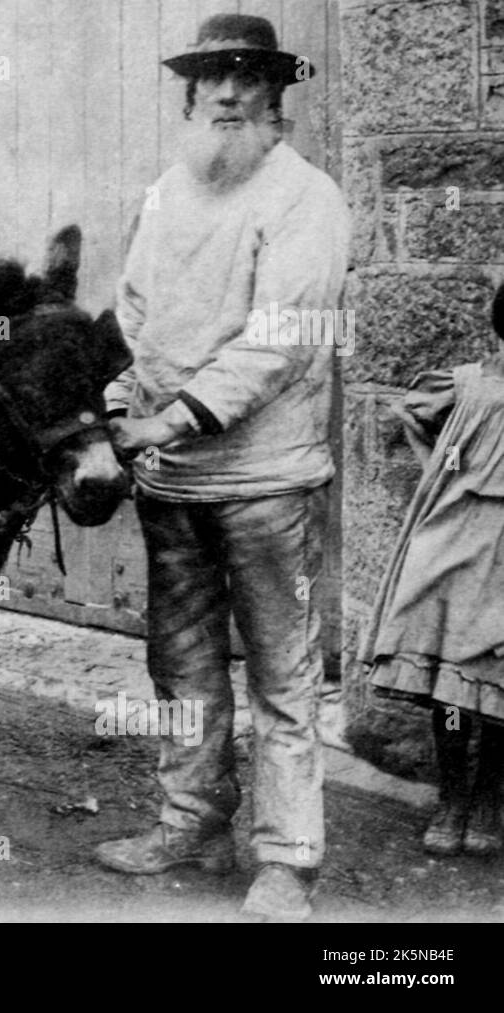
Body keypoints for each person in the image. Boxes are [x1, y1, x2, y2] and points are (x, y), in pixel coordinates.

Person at [94, 15, 351, 921]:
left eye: (250, 79)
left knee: (284, 674)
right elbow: (134, 316)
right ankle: (191, 819)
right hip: (173, 479)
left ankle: (288, 858)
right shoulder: (167, 194)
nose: (231, 93)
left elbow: (282, 340)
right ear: (190, 97)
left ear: (277, 99)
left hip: (267, 478)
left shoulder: (304, 197)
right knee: (181, 667)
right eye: (214, 79)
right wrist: (124, 406)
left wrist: (175, 416)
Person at [360, 284, 504, 858]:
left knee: (497, 684)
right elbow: (415, 415)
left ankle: (491, 798)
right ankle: (451, 797)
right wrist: (438, 473)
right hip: (455, 537)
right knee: (448, 687)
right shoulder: (467, 382)